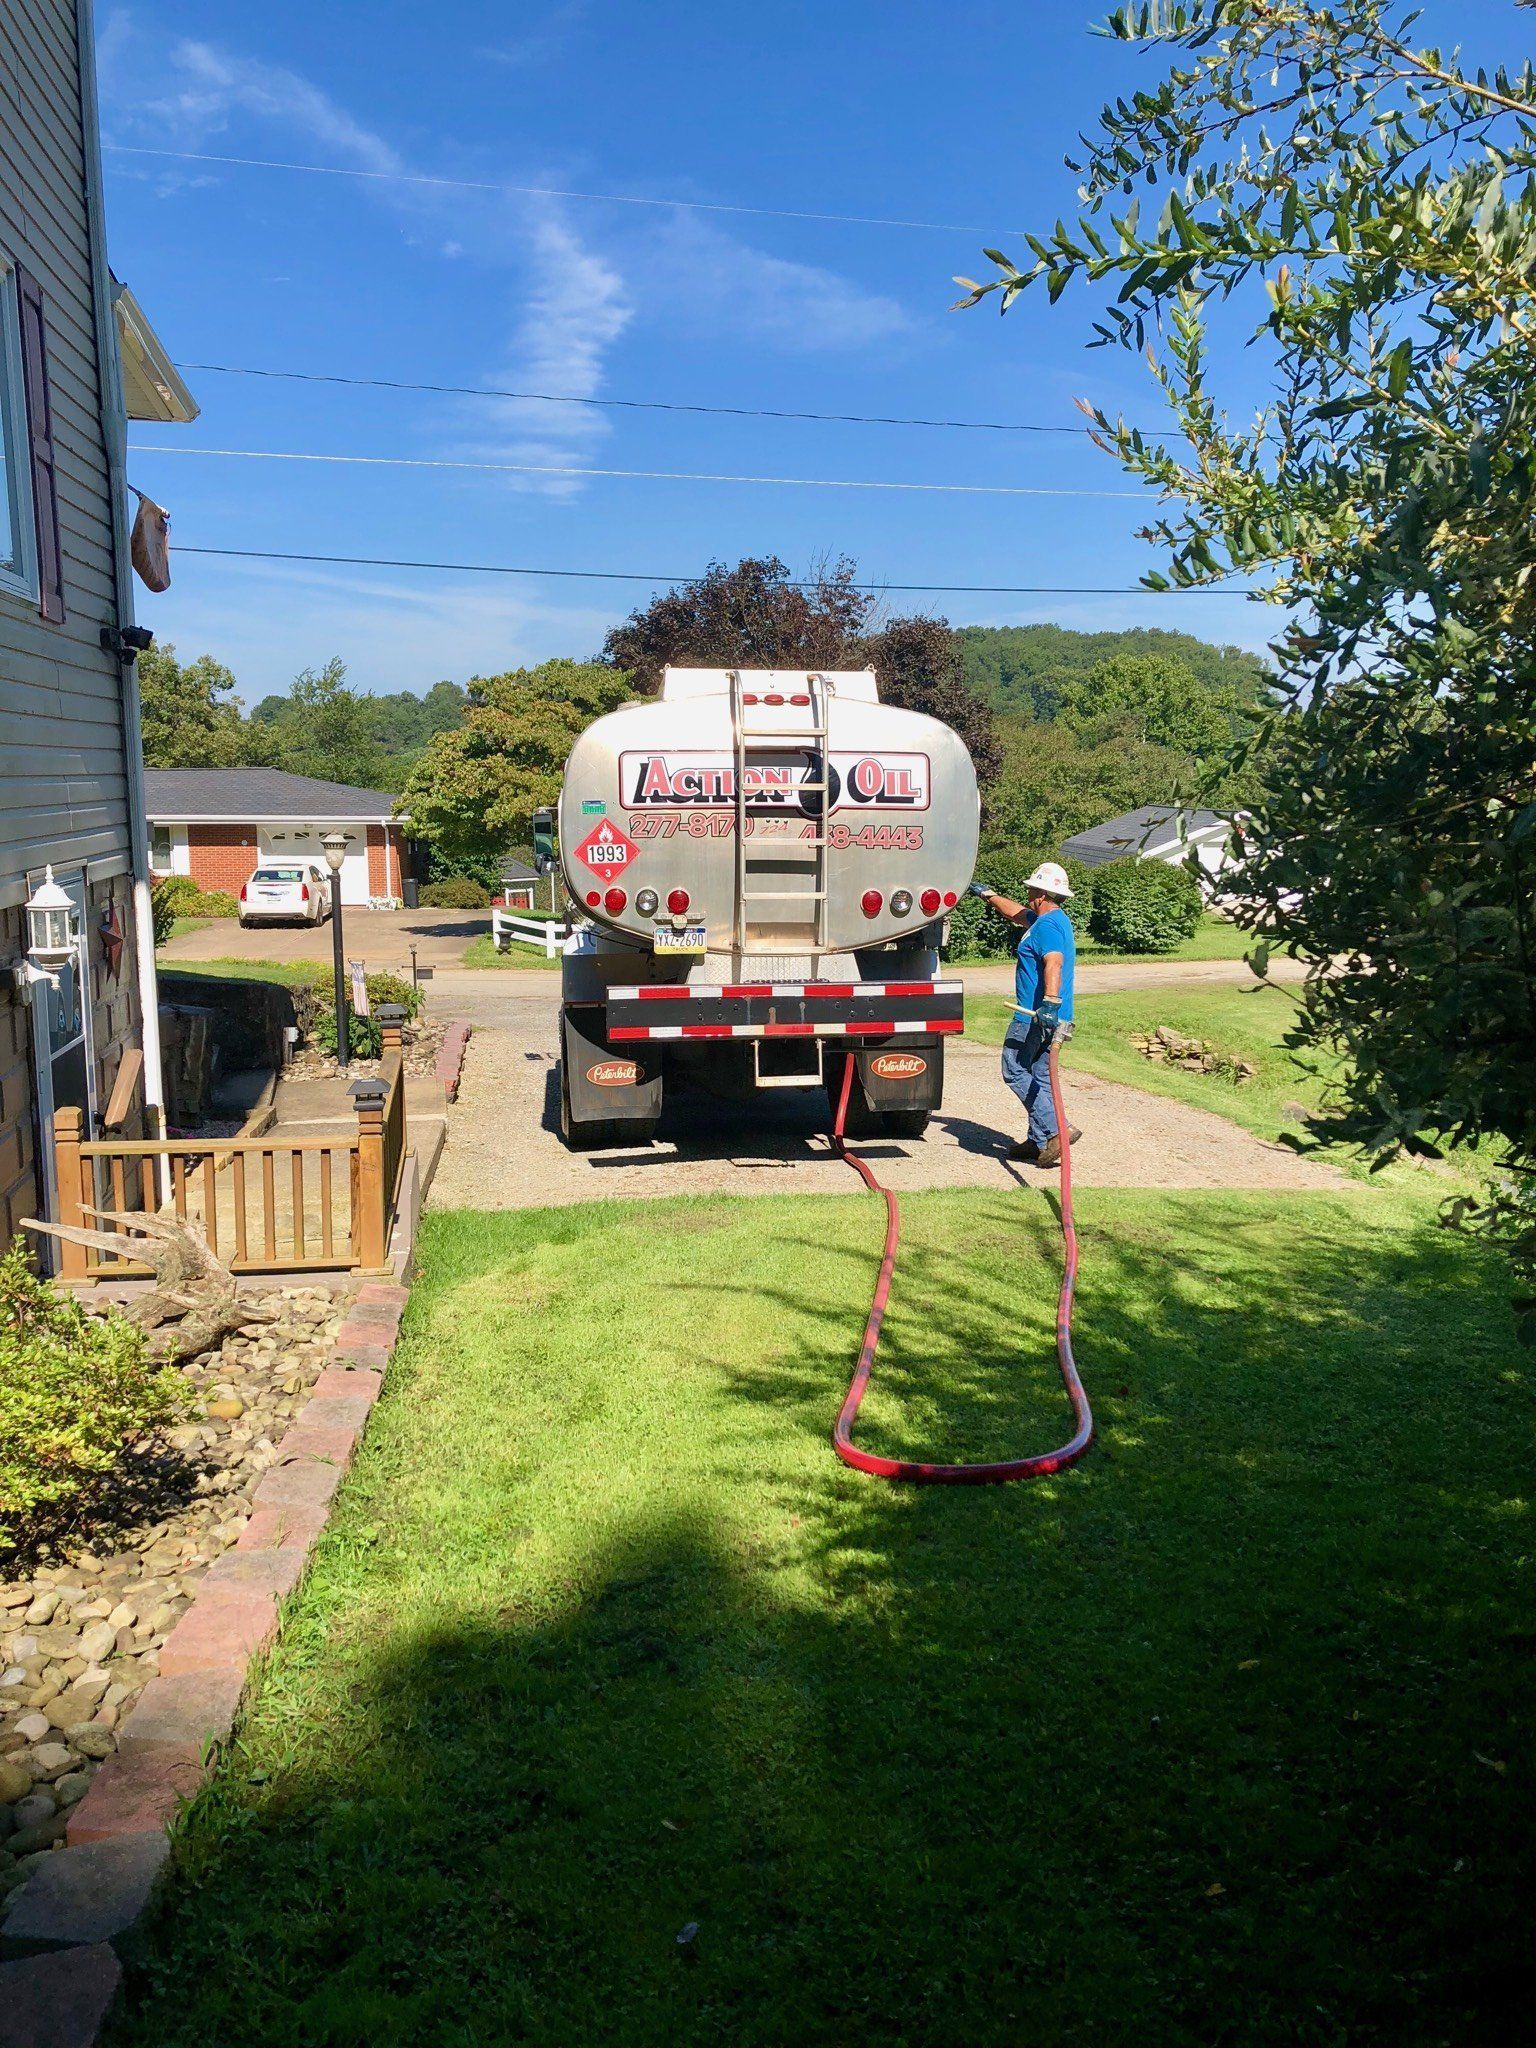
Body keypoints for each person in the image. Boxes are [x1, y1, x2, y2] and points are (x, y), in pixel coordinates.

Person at [970, 861, 1082, 1167]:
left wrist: (1049, 1002)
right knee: (1041, 1075)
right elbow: (1016, 913)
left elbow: (1054, 963)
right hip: (1053, 1016)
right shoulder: (1051, 919)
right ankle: (1037, 1142)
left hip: (1036, 1015)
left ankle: (1057, 1130)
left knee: (1014, 1068)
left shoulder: (1046, 927)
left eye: (1031, 888)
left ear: (1042, 894)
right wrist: (986, 894)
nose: (1028, 892)